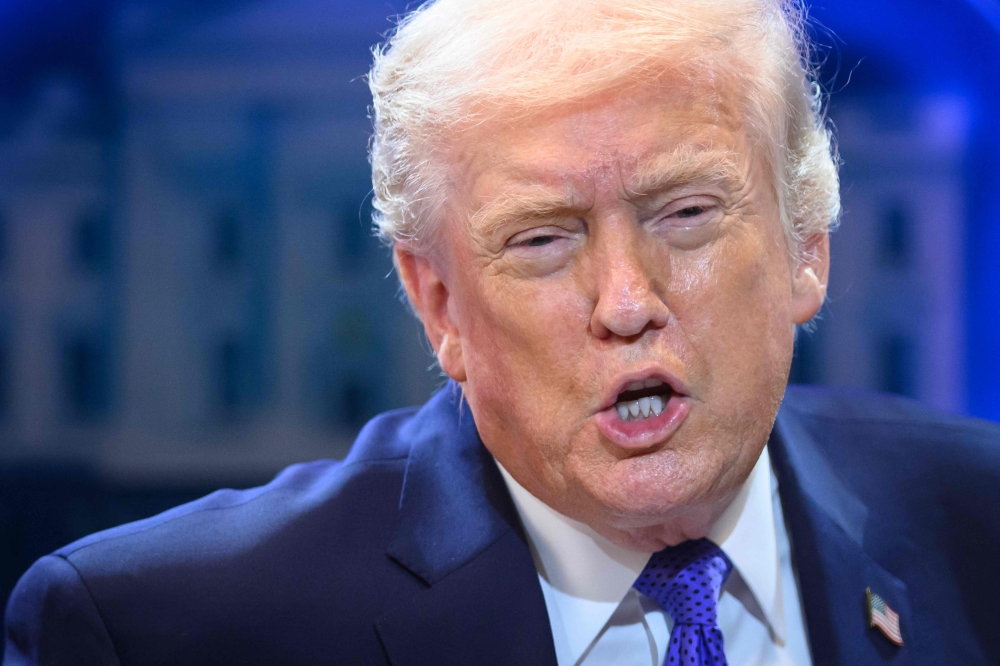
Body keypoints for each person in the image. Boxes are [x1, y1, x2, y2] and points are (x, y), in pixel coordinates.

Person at [5, 0, 1000, 664]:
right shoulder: (152, 632)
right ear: (439, 304)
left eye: (685, 214)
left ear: (807, 246)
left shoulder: (981, 524)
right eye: (541, 240)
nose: (624, 301)